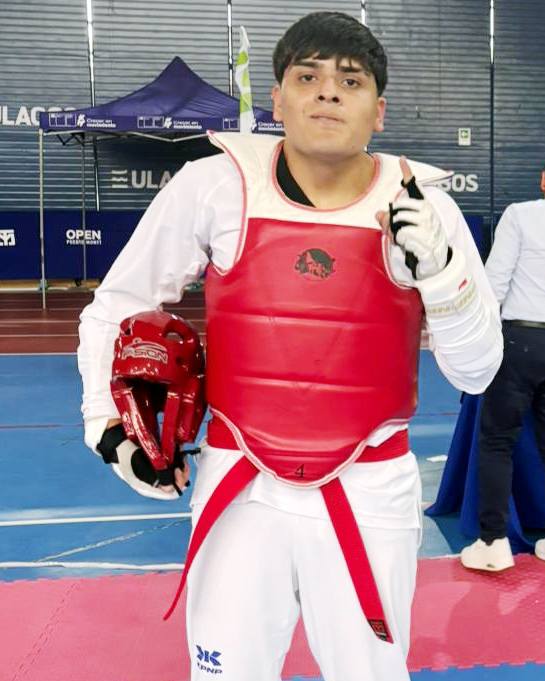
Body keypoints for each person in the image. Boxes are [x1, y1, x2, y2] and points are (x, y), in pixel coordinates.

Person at [78, 12, 502, 681]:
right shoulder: (214, 186)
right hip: (240, 479)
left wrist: (443, 275)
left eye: (350, 80)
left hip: (370, 487)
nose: (328, 91)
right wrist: (105, 425)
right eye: (307, 77)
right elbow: (119, 305)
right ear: (276, 100)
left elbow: (476, 372)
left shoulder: (425, 209)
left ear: (379, 110)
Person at [461, 168, 545, 572]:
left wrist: (475, 345)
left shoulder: (521, 215)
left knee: (497, 441)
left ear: (543, 180)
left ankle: (493, 542)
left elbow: (493, 284)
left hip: (521, 340)